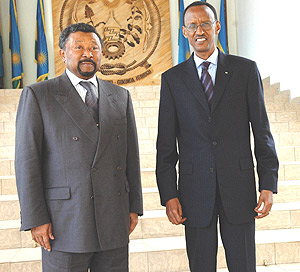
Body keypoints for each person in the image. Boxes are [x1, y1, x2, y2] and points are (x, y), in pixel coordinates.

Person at [156, 2, 279, 271]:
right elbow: (165, 145)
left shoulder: (245, 70)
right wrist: (168, 194)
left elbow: (262, 131)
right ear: (184, 32)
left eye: (205, 24)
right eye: (192, 26)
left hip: (239, 188)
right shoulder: (173, 79)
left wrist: (268, 184)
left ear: (217, 27)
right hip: (193, 193)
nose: (199, 30)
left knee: (244, 265)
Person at [15, 23, 143, 271]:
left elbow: (131, 157)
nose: (87, 53)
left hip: (112, 219)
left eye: (94, 47)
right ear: (63, 53)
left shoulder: (120, 96)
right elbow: (27, 162)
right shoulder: (39, 95)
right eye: (79, 47)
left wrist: (134, 206)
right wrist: (35, 218)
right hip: (64, 222)